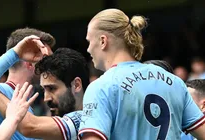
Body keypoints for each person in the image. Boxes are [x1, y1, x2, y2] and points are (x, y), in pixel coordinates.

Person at [78, 8, 205, 140]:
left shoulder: (101, 87)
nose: (88, 49)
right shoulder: (174, 81)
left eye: (89, 41)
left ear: (103, 41)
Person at [0, 46, 89, 140]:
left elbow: (29, 126)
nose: (46, 98)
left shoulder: (85, 118)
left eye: (52, 89)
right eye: (44, 90)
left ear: (77, 85)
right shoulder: (59, 128)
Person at [0, 28, 55, 140]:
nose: (52, 67)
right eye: (47, 59)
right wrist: (15, 54)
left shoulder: (29, 103)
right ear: (30, 63)